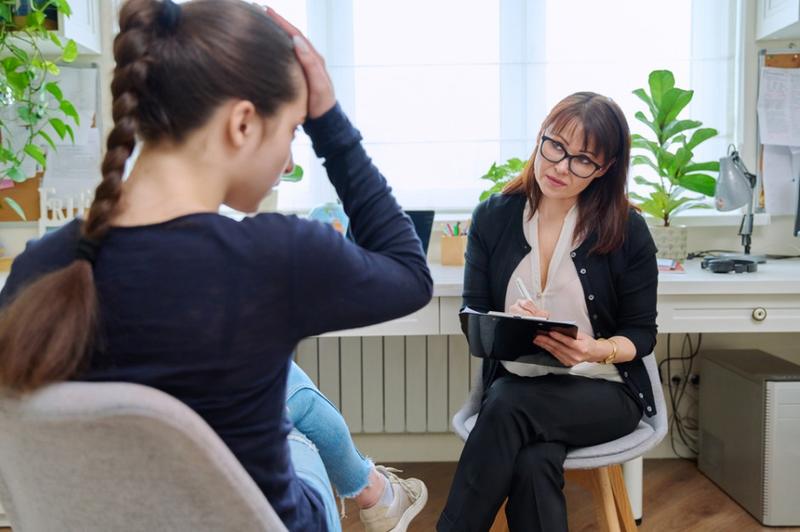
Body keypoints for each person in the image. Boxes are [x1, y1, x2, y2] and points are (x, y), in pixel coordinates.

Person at [0, 1, 432, 531]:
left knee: (279, 390)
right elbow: (410, 273)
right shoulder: (277, 257)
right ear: (243, 123)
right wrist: (329, 123)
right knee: (290, 422)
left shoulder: (41, 266)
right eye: (294, 130)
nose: (290, 161)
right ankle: (377, 496)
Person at [437, 92, 658, 532]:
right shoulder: (493, 218)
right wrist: (507, 323)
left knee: (505, 406)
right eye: (555, 146)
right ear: (540, 137)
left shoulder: (627, 230)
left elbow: (641, 333)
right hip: (521, 388)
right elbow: (474, 316)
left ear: (605, 169)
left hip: (605, 392)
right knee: (533, 460)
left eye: (582, 160)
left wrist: (595, 349)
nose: (560, 166)